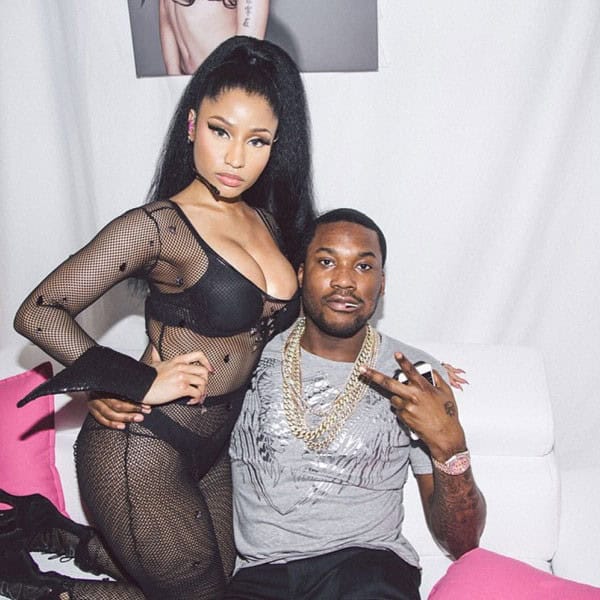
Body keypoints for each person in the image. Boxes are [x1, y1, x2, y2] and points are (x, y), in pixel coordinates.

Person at [4, 35, 314, 600]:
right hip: (140, 447)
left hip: (211, 449)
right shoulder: (160, 226)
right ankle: (38, 591)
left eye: (257, 140)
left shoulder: (268, 223)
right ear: (192, 124)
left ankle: (65, 539)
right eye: (221, 131)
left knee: (214, 584)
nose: (236, 158)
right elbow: (38, 312)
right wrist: (131, 380)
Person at [223, 208, 486, 599]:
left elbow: (462, 543)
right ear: (300, 274)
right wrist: (135, 394)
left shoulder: (415, 377)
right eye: (327, 262)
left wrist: (450, 444)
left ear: (382, 283)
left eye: (363, 267)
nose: (344, 281)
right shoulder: (246, 357)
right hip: (261, 577)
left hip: (366, 569)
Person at [157, 0, 270, 75]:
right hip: (187, 81)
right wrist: (173, 76)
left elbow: (247, 48)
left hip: (222, 81)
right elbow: (166, 14)